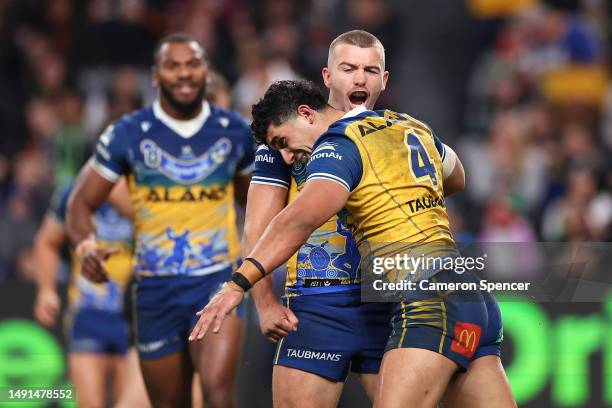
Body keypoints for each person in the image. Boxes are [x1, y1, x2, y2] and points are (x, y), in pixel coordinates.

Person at [190, 79, 516, 408]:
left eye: (284, 142)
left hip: (428, 302)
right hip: (471, 297)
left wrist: (237, 284)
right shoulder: (403, 123)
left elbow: (297, 221)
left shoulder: (339, 145)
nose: (287, 157)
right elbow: (457, 177)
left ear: (306, 114)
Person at [244, 30, 466, 407]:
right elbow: (257, 226)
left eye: (370, 70)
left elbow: (455, 178)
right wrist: (264, 303)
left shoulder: (396, 131)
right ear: (328, 77)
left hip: (386, 302)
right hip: (317, 303)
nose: (360, 78)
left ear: (383, 79)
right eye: (349, 69)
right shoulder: (287, 140)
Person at [66, 33, 254, 408]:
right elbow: (80, 204)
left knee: (217, 393)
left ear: (204, 70)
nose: (184, 73)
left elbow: (256, 205)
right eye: (173, 65)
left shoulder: (235, 133)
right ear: (155, 75)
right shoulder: (126, 134)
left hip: (216, 282)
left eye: (192, 64)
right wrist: (86, 244)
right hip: (155, 291)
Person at [33, 172, 149, 407]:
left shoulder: (148, 190)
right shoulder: (74, 192)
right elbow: (47, 241)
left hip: (134, 316)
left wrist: (121, 197)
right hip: (88, 314)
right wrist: (46, 290)